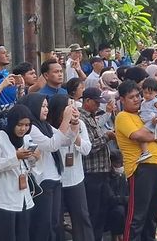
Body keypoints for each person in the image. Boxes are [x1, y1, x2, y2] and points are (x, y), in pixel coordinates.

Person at [18, 93, 76, 241]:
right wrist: (65, 120)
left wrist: (74, 124)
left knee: (55, 222)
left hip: (55, 177)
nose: (45, 110)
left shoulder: (46, 126)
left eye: (46, 106)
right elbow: (51, 145)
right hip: (43, 180)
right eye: (42, 106)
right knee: (43, 223)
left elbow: (65, 141)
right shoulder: (32, 128)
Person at [115, 80, 157, 241]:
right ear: (122, 100)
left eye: (138, 96)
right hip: (140, 168)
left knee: (153, 212)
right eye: (131, 97)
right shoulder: (122, 116)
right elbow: (138, 135)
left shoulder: (144, 113)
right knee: (137, 215)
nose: (137, 99)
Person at [0, 105, 34, 241]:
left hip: (23, 199)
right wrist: (15, 157)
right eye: (19, 125)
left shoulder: (27, 139)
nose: (23, 129)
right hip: (2, 200)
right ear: (11, 122)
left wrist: (33, 159)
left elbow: (27, 168)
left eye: (27, 125)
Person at [48, 95, 94, 241]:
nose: (73, 109)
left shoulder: (80, 123)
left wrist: (75, 132)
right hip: (56, 179)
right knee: (56, 220)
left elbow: (86, 149)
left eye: (73, 105)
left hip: (75, 178)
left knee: (81, 217)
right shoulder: (49, 126)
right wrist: (66, 126)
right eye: (69, 106)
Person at [81, 88, 115, 241]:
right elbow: (90, 146)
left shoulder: (93, 117)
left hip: (103, 170)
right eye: (96, 103)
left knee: (103, 209)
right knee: (93, 211)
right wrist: (107, 137)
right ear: (87, 101)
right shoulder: (81, 119)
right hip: (91, 172)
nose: (98, 106)